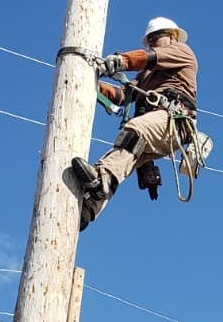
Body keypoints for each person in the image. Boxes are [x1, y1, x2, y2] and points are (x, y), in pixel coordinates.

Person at [72, 16, 198, 231]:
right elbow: (124, 94)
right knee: (123, 160)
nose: (151, 42)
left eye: (155, 38)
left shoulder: (181, 51)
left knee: (135, 130)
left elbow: (147, 58)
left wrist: (120, 61)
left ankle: (100, 180)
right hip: (157, 126)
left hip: (173, 120)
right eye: (148, 39)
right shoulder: (147, 76)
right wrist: (91, 82)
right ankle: (88, 209)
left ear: (171, 36)